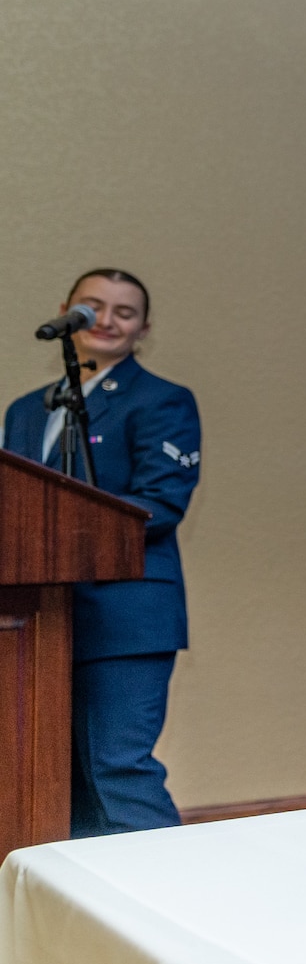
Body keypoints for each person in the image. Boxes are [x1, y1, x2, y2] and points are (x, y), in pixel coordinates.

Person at [3, 269, 201, 835]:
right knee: (51, 773)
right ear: (67, 310)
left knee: (115, 766)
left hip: (126, 614)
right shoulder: (25, 409)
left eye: (125, 312)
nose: (107, 320)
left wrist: (63, 530)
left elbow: (160, 505)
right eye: (93, 307)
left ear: (144, 330)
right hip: (37, 619)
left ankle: (172, 902)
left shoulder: (162, 401)